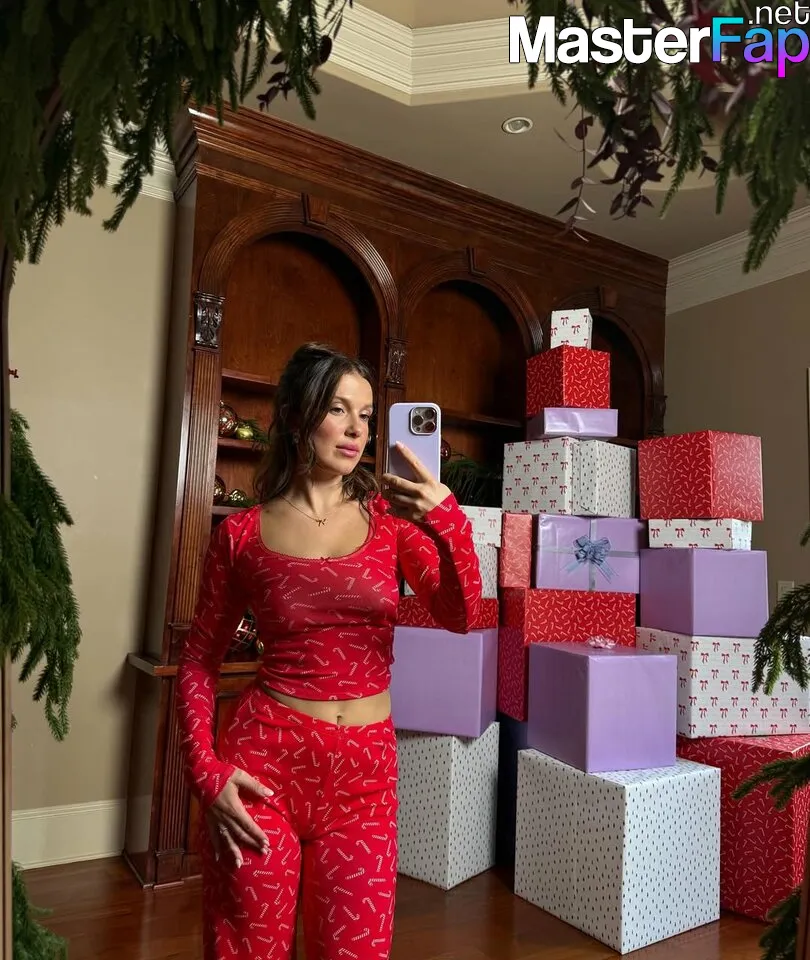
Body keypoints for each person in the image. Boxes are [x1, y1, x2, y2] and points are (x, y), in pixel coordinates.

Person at [176, 342, 483, 960]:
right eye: (338, 410)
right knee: (247, 950)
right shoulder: (240, 535)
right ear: (296, 416)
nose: (356, 430)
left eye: (365, 415)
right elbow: (199, 660)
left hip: (365, 782)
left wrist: (447, 519)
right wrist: (206, 772)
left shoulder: (391, 522)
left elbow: (463, 615)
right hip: (264, 770)